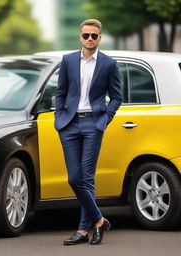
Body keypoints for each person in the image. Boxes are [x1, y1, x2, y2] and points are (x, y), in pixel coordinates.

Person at [54, 19, 122, 245]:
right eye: (86, 35)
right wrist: (59, 117)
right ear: (80, 36)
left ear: (100, 37)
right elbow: (60, 91)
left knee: (86, 178)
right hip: (70, 124)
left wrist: (104, 119)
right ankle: (100, 221)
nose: (90, 39)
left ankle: (83, 230)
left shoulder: (109, 64)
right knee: (75, 178)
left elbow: (117, 96)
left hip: (93, 124)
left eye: (94, 36)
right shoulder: (68, 60)